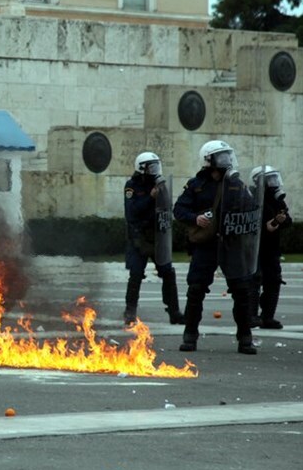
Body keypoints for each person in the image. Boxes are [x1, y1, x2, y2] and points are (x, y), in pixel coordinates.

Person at [173, 140, 257, 355]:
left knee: (241, 290)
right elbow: (179, 210)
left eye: (228, 155)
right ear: (208, 160)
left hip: (232, 244)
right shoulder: (196, 184)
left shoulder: (236, 184)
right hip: (207, 245)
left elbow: (252, 209)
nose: (227, 160)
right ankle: (190, 335)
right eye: (221, 157)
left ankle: (245, 338)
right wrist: (196, 218)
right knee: (196, 290)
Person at [122, 152, 184, 325]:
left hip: (158, 238)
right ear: (141, 168)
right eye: (151, 167)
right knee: (136, 274)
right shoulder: (131, 187)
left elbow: (167, 208)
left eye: (156, 166)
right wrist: (150, 197)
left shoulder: (159, 185)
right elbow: (132, 212)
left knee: (168, 273)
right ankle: (130, 311)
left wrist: (162, 193)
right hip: (138, 238)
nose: (155, 170)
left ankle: (174, 311)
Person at [250, 165, 292, 329]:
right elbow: (248, 219)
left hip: (272, 247)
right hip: (255, 247)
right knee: (254, 279)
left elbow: (287, 220)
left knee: (273, 280)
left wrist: (280, 221)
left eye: (274, 178)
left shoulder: (277, 200)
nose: (273, 183)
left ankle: (268, 316)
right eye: (269, 180)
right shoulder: (252, 197)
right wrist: (264, 225)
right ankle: (251, 315)